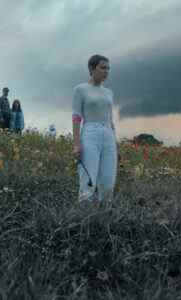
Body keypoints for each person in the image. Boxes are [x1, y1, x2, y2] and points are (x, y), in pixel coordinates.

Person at [72, 54, 118, 203]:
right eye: (103, 68)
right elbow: (76, 117)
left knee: (108, 181)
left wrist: (115, 143)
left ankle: (104, 219)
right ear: (92, 68)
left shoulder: (109, 93)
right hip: (90, 133)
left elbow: (111, 120)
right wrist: (77, 144)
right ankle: (83, 218)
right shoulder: (80, 89)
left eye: (108, 69)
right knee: (88, 179)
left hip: (108, 135)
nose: (106, 71)